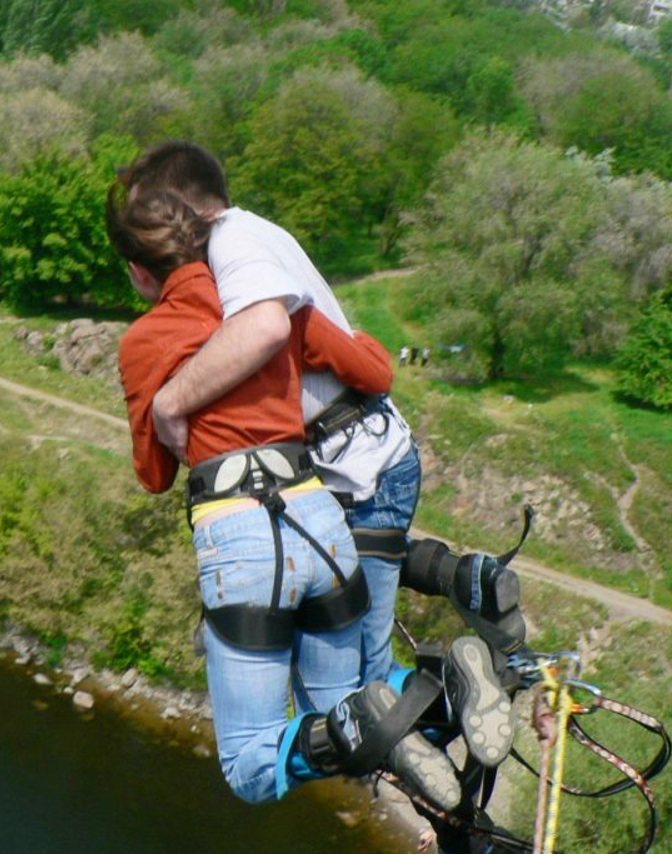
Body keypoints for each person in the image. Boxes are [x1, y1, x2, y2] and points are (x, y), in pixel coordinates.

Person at [107, 185, 477, 812]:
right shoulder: (270, 306)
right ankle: (446, 698)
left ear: (141, 272)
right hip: (321, 523)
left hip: (242, 541)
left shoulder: (145, 340)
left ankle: (388, 720)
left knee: (253, 765)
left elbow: (153, 473)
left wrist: (168, 402)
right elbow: (371, 366)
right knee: (346, 714)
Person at [118, 141, 422, 694]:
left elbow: (269, 329)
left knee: (361, 684)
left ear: (187, 211)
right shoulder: (240, 244)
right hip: (341, 471)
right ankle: (451, 577)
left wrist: (168, 402)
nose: (148, 231)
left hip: (361, 472)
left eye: (150, 217)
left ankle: (450, 691)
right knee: (340, 677)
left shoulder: (234, 241)